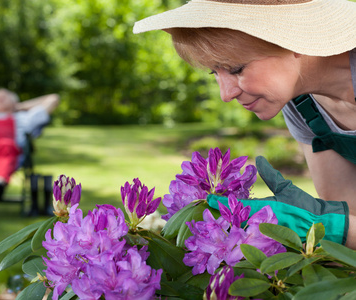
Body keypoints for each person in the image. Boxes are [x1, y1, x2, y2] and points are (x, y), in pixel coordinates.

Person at [133, 0, 356, 249]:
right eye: (214, 73)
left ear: (293, 40)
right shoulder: (302, 106)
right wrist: (331, 223)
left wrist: (331, 227)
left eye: (236, 69)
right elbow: (351, 215)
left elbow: (345, 228)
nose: (225, 94)